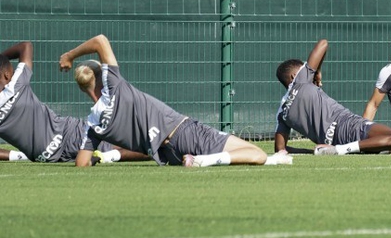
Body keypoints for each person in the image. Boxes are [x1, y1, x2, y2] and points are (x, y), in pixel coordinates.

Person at [59, 34, 289, 168]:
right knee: (257, 154)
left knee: (254, 155)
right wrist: (69, 56)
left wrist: (93, 160)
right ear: (103, 76)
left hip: (169, 155)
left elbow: (81, 163)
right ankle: (202, 161)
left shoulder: (93, 125)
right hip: (185, 132)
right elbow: (100, 41)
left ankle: (274, 159)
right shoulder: (115, 87)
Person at [0, 40, 146, 164]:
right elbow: (25, 46)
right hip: (69, 136)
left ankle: (107, 155)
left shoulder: (16, 85)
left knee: (136, 142)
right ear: (6, 74)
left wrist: (20, 156)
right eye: (11, 72)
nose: (13, 75)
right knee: (146, 144)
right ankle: (108, 156)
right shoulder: (16, 85)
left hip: (59, 145)